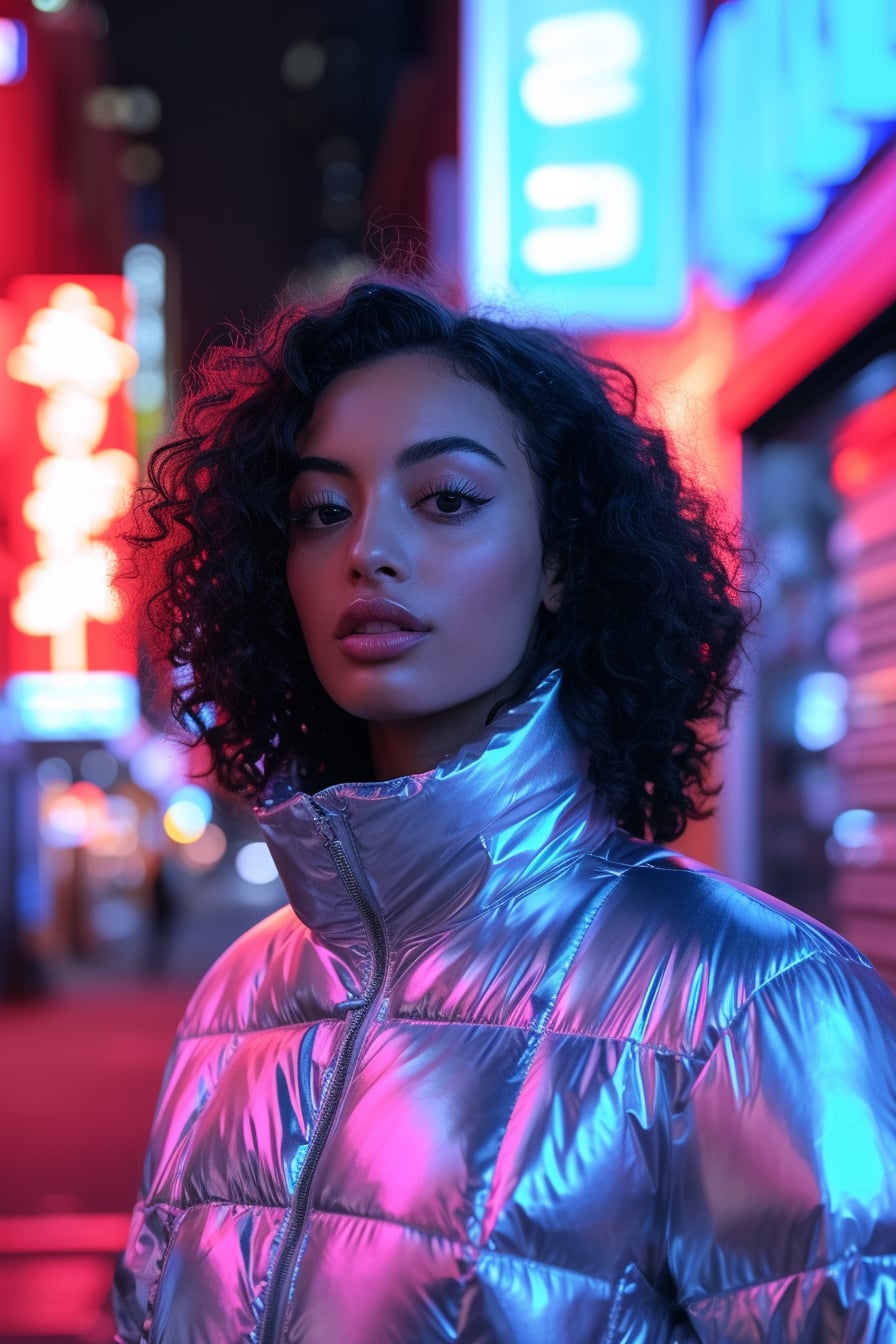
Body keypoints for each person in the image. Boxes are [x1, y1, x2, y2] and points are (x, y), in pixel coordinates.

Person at [113, 278, 896, 1343]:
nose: (367, 551)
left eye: (444, 500)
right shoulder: (240, 996)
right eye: (320, 511)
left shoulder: (752, 1000)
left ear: (562, 562)